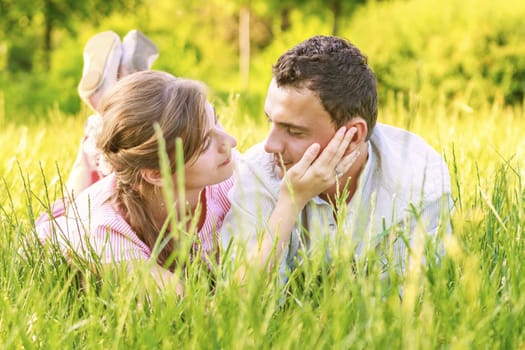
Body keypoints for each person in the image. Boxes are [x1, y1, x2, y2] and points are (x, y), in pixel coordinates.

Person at [36, 70, 360, 293]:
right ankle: (93, 137)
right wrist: (291, 202)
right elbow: (216, 310)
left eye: (217, 122)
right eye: (206, 143)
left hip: (138, 186)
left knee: (111, 165)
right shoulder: (105, 235)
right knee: (78, 195)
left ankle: (104, 114)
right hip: (67, 225)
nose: (230, 142)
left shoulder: (228, 182)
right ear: (158, 171)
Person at [221, 35, 453, 277]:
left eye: (294, 131)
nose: (270, 145)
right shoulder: (258, 171)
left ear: (353, 137)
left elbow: (404, 304)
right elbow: (242, 303)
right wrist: (290, 202)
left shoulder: (420, 183)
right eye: (271, 121)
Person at [67, 29, 159, 195]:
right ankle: (127, 90)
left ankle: (110, 97)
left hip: (94, 199)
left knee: (84, 172)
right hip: (129, 193)